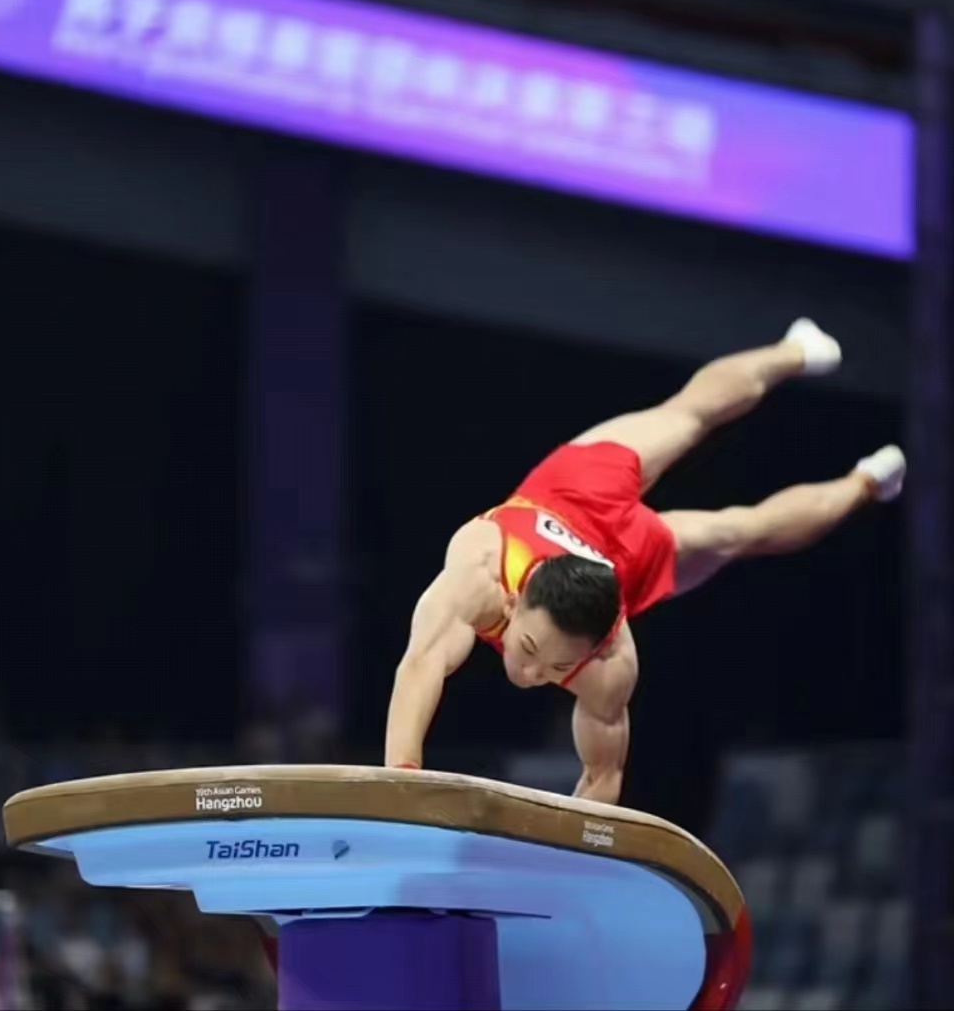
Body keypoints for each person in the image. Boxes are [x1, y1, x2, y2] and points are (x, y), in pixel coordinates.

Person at [383, 319, 906, 804]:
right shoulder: (479, 568)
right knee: (710, 469)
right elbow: (420, 665)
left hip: (613, 528)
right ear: (513, 602)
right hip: (571, 492)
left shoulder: (609, 662)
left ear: (594, 650)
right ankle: (832, 416)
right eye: (531, 649)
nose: (533, 673)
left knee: (731, 505)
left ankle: (845, 447)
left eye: (561, 667)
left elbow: (602, 776)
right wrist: (401, 782)